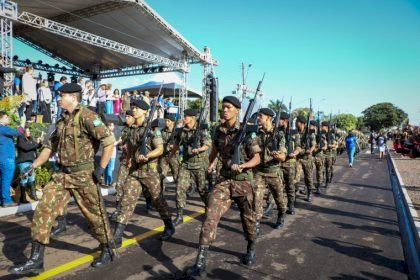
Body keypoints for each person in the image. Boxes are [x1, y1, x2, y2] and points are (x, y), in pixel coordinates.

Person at [8, 83, 116, 275]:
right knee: (43, 210)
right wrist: (33, 166)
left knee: (95, 215)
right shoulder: (61, 121)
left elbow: (108, 142)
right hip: (62, 175)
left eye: (61, 95)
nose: (58, 98)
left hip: (83, 175)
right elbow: (49, 148)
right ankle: (36, 261)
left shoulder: (88, 116)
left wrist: (100, 170)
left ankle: (107, 248)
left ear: (72, 98)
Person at [185, 96, 261, 276]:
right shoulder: (218, 131)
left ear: (237, 110)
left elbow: (257, 158)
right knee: (210, 216)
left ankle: (251, 247)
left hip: (243, 181)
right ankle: (200, 263)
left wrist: (243, 165)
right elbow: (215, 150)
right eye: (223, 107)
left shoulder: (247, 131)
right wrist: (210, 165)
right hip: (224, 181)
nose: (224, 110)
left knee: (248, 220)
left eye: (228, 107)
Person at [111, 99, 174, 248]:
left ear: (145, 112)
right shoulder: (131, 129)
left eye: (137, 108)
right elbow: (129, 148)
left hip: (150, 172)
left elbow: (160, 149)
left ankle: (169, 225)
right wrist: (129, 159)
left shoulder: (153, 129)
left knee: (158, 202)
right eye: (133, 107)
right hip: (135, 172)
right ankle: (117, 237)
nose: (134, 109)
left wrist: (148, 155)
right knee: (127, 201)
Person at [170, 108, 211, 226]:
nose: (184, 118)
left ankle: (209, 208)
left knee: (202, 190)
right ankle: (179, 215)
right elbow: (177, 145)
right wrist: (170, 156)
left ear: (193, 118)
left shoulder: (202, 129)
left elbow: (207, 145)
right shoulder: (182, 131)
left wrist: (199, 149)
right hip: (186, 164)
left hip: (199, 164)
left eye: (186, 117)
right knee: (180, 188)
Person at [254, 108, 287, 232]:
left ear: (268, 118)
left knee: (279, 198)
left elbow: (283, 153)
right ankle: (256, 222)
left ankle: (281, 215)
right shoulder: (257, 133)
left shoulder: (279, 134)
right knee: (256, 198)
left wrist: (280, 156)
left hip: (274, 171)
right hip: (259, 171)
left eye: (260, 116)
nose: (258, 118)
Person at [109, 110, 136, 222]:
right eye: (126, 116)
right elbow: (121, 140)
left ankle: (149, 202)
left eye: (129, 116)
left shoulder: (138, 129)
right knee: (119, 184)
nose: (127, 118)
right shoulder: (125, 128)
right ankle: (119, 209)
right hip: (125, 161)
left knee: (135, 188)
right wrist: (119, 144)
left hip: (136, 163)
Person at [0, 111, 24, 207]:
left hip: (2, 158)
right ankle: (6, 201)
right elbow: (18, 132)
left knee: (2, 180)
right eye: (6, 117)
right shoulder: (3, 129)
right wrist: (22, 123)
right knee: (6, 180)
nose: (8, 119)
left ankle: (2, 200)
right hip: (7, 158)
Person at [295, 115, 316, 202]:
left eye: (297, 122)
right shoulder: (295, 132)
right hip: (299, 158)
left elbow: (314, 144)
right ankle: (294, 194)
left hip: (307, 158)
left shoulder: (310, 132)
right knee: (296, 176)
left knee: (308, 177)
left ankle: (309, 192)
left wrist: (310, 150)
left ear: (302, 123)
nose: (296, 123)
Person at [16, 127, 40, 203]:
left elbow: (34, 147)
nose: (29, 132)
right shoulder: (20, 140)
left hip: (30, 162)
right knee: (24, 179)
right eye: (27, 131)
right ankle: (23, 198)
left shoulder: (30, 140)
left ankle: (34, 196)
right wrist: (36, 144)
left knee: (32, 179)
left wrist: (40, 144)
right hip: (23, 162)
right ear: (23, 132)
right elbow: (26, 148)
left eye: (29, 131)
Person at [159, 113, 180, 192]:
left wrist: (175, 146)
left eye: (168, 121)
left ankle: (180, 192)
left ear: (173, 122)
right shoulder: (162, 131)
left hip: (174, 156)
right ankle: (160, 193)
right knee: (161, 175)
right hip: (164, 156)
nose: (166, 122)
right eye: (165, 120)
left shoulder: (177, 132)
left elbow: (181, 142)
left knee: (177, 175)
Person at [104, 122, 117, 187]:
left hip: (106, 154)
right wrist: (119, 141)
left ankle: (106, 182)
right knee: (110, 169)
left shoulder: (105, 133)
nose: (113, 127)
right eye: (112, 126)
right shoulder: (110, 134)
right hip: (111, 154)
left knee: (106, 168)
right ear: (108, 127)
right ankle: (110, 182)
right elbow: (113, 144)